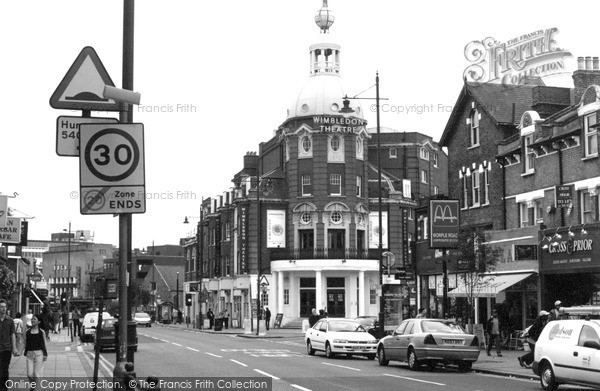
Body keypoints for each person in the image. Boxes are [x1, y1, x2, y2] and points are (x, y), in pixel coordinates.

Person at [24, 315, 48, 390]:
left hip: (39, 354)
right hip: (29, 355)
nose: (32, 320)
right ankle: (33, 386)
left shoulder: (41, 332)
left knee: (37, 375)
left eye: (34, 319)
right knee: (29, 374)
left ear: (39, 321)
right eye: (32, 319)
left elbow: (44, 343)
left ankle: (36, 389)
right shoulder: (27, 332)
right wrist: (18, 351)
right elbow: (24, 343)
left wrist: (45, 354)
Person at [0, 299, 19, 391]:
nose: (3, 309)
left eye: (4, 306)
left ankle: (4, 388)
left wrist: (14, 348)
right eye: (1, 307)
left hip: (7, 348)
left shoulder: (10, 320)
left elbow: (13, 334)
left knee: (4, 368)